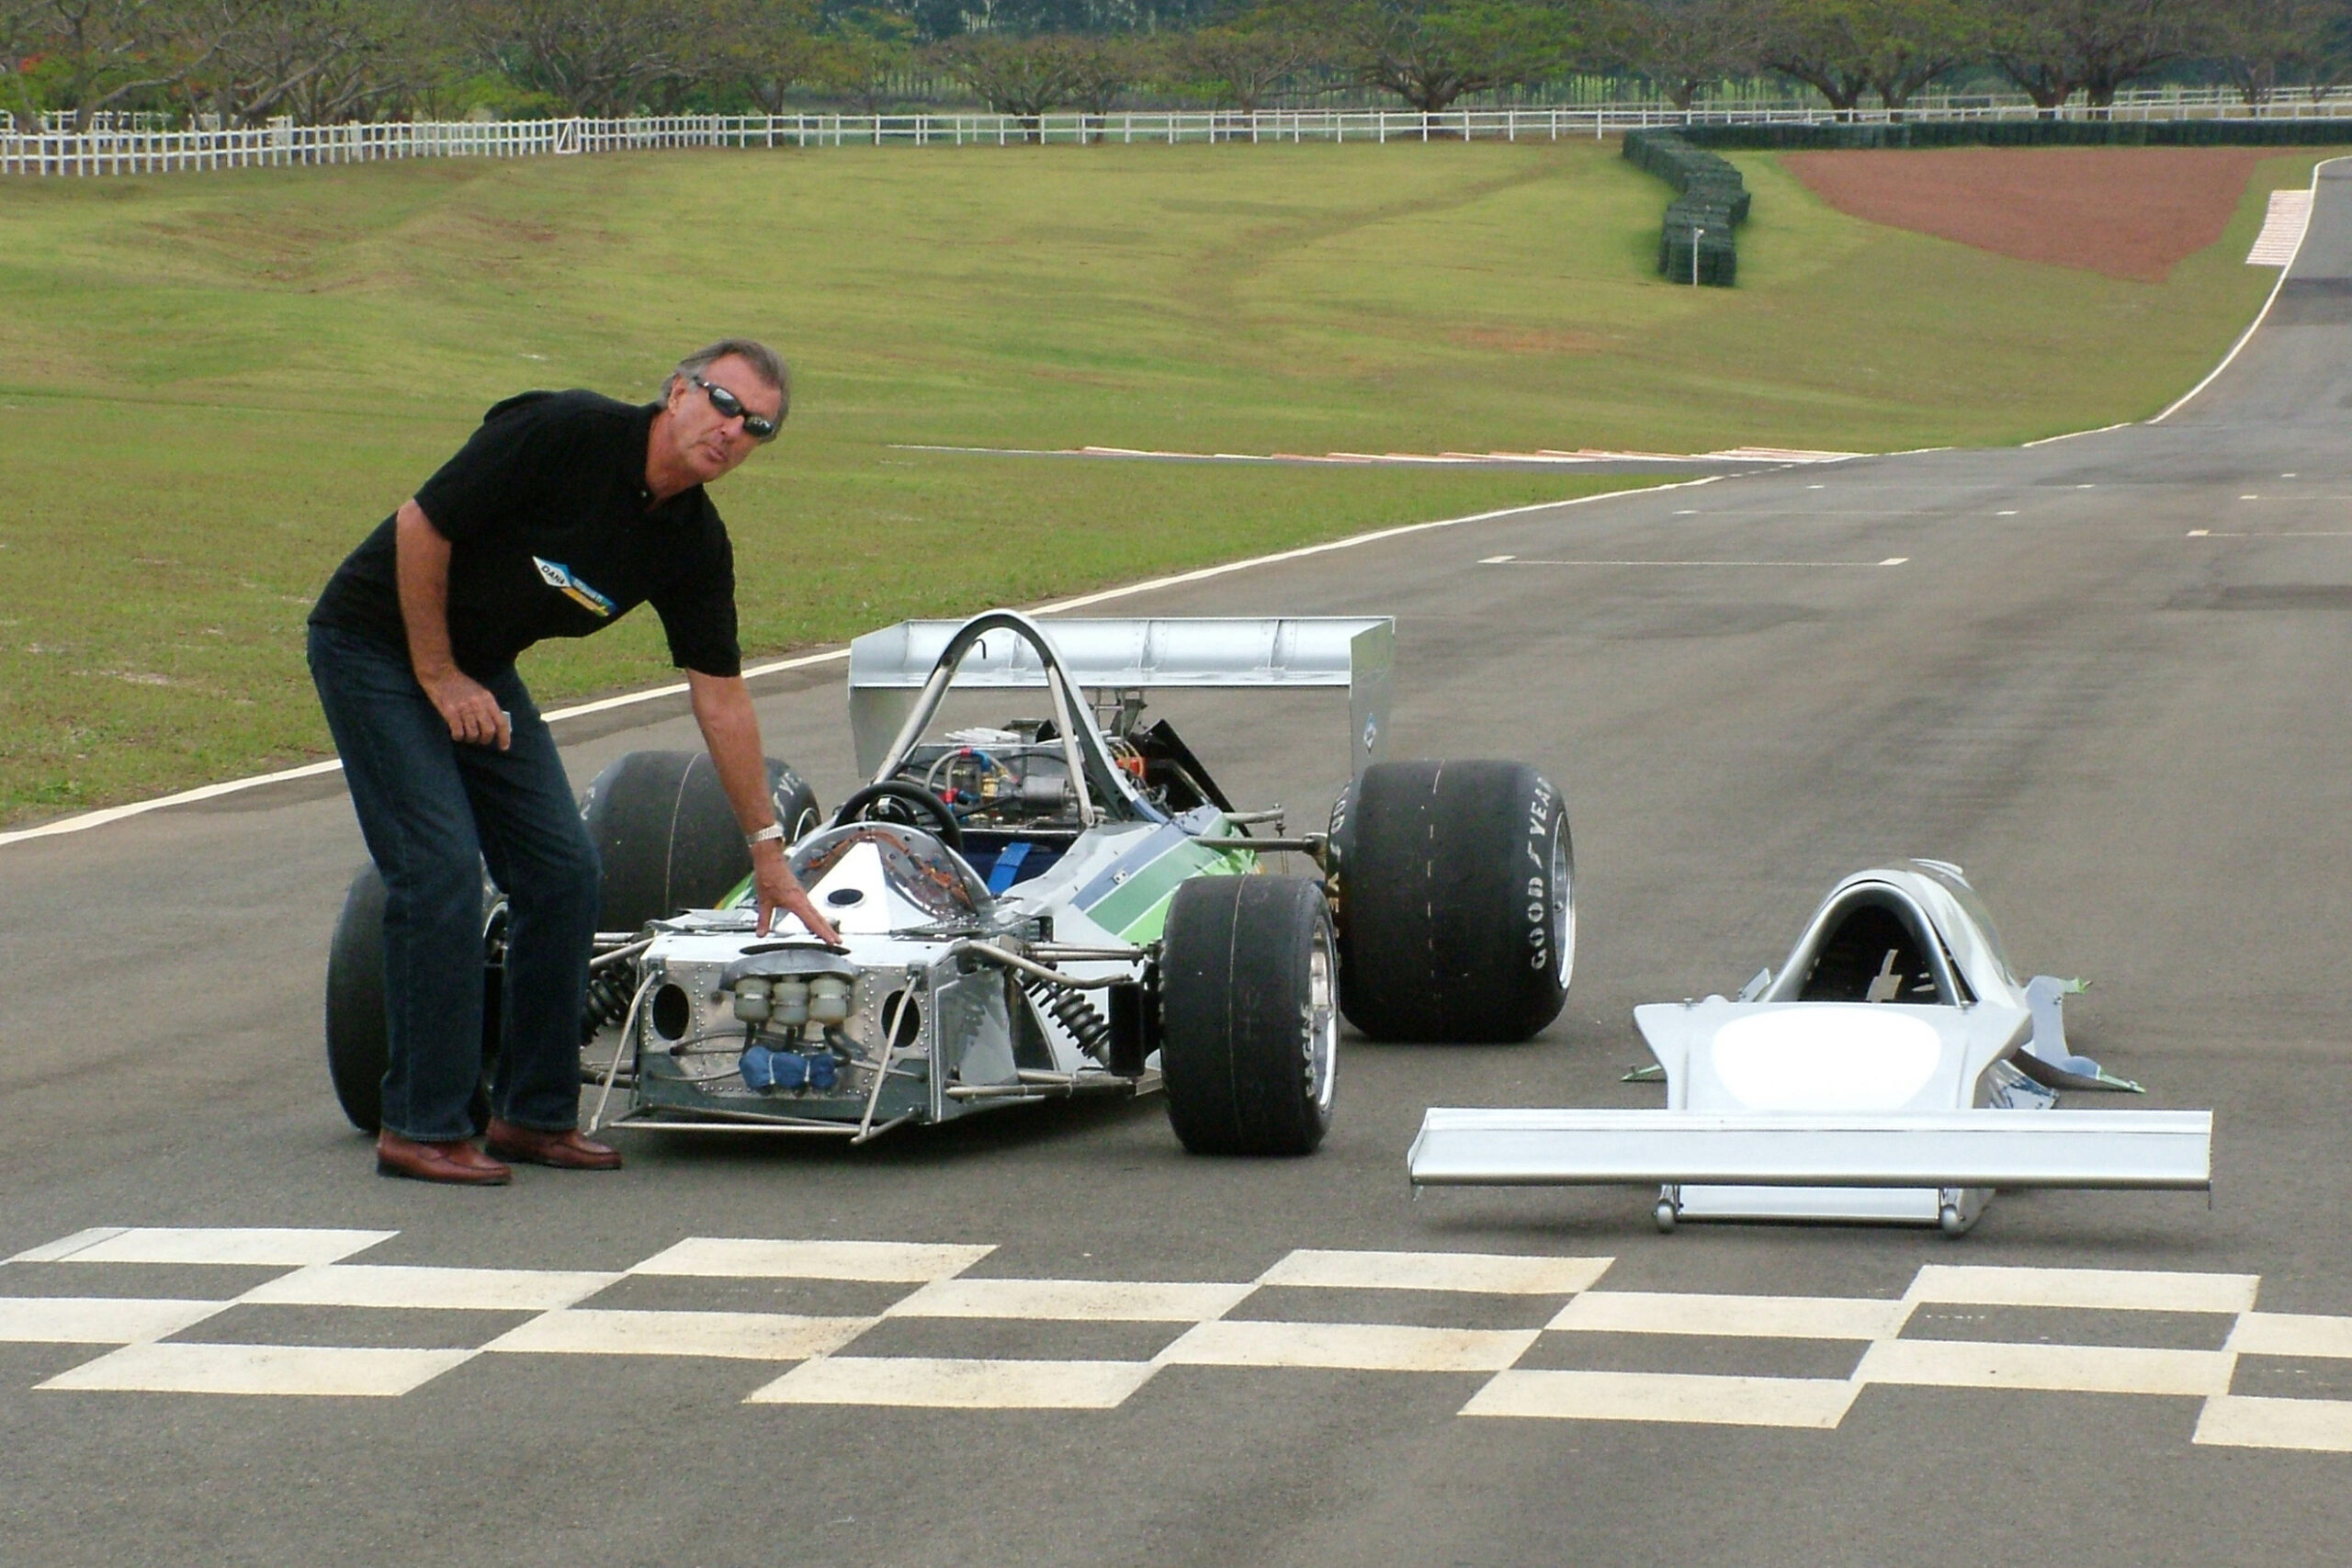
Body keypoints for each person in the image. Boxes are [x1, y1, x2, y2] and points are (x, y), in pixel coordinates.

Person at [307, 339, 841, 1186]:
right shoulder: (566, 432)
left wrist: (768, 854)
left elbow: (722, 698)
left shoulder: (691, 541)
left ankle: (533, 1114)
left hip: (476, 668)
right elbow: (422, 523)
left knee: (563, 871)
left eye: (759, 427)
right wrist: (437, 674)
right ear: (677, 391)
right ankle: (420, 1123)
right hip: (373, 643)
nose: (733, 432)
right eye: (724, 403)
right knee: (439, 867)